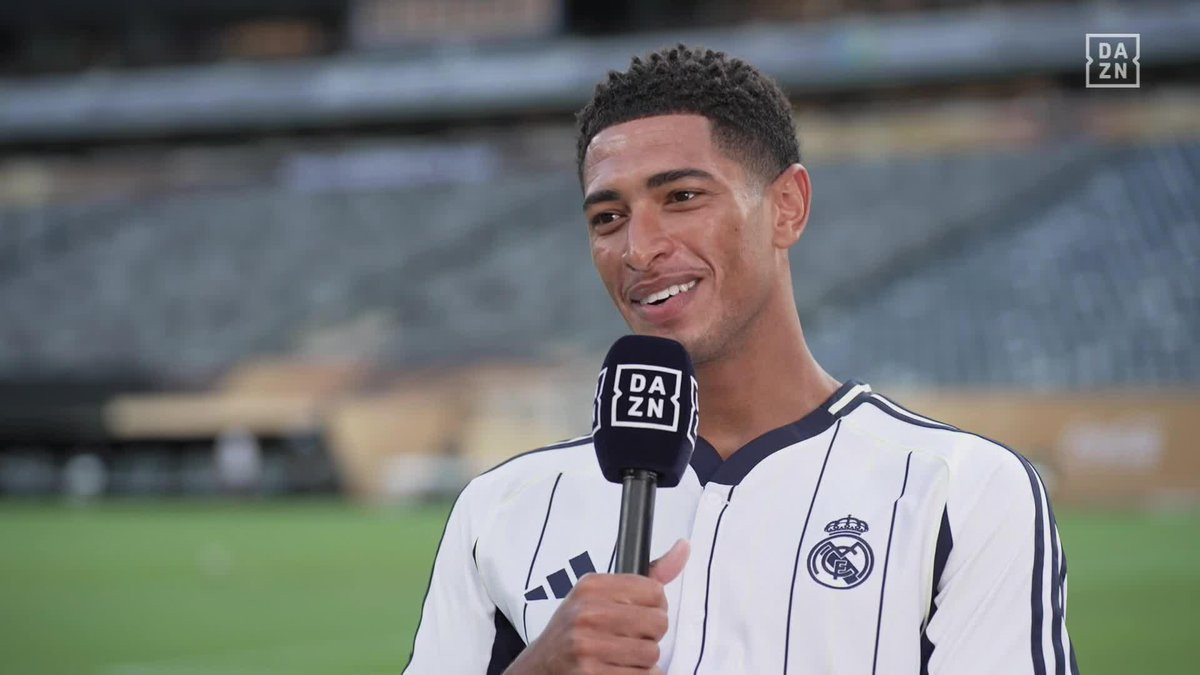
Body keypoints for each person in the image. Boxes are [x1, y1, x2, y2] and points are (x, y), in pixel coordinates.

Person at [406, 44, 1076, 674]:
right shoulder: (500, 508)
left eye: (682, 197)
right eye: (608, 217)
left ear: (787, 207)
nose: (638, 248)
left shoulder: (963, 490)